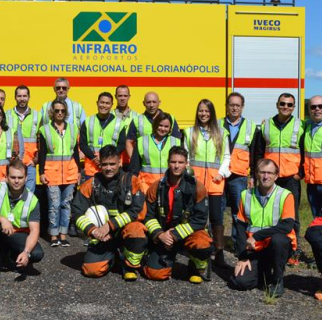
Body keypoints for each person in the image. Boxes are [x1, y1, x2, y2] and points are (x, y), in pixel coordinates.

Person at [73, 145, 147, 280]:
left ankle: (129, 266)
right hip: (102, 236)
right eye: (105, 164)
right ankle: (113, 257)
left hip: (124, 232)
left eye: (112, 164)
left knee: (137, 229)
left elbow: (137, 211)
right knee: (91, 270)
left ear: (119, 162)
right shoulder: (90, 184)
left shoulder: (132, 182)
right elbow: (77, 212)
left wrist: (109, 225)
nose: (108, 168)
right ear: (99, 163)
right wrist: (93, 231)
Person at [142, 146, 213, 283]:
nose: (176, 166)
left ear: (186, 164)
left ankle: (195, 267)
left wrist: (174, 235)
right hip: (164, 236)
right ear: (168, 162)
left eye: (180, 162)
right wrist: (160, 235)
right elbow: (148, 216)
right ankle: (158, 260)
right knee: (155, 274)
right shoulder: (156, 187)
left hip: (186, 233)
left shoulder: (197, 187)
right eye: (173, 162)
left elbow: (200, 219)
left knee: (202, 243)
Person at [230, 159, 296, 297]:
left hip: (277, 247)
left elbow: (287, 226)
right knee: (240, 282)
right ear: (256, 174)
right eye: (262, 172)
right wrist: (242, 257)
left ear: (276, 176)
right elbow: (241, 227)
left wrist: (257, 235)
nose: (266, 176)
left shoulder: (285, 195)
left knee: (279, 240)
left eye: (270, 173)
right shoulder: (246, 195)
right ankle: (263, 271)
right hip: (255, 249)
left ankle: (278, 281)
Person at [253, 93, 305, 265]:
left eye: (290, 105)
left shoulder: (300, 126)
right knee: (270, 213)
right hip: (270, 177)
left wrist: (301, 173)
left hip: (291, 178)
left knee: (293, 216)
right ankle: (269, 245)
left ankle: (293, 251)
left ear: (294, 107)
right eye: (282, 104)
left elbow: (306, 152)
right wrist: (257, 174)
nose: (286, 107)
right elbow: (259, 152)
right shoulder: (266, 125)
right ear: (277, 105)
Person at [0, 159, 44, 280]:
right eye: (13, 177)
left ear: (26, 178)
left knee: (36, 254)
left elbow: (34, 231)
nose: (16, 181)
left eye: (20, 177)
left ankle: (12, 256)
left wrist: (26, 252)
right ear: (6, 177)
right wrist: (2, 219)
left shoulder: (33, 200)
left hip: (18, 234)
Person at [183, 99, 231, 269]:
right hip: (195, 183)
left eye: (207, 111)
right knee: (195, 216)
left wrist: (221, 173)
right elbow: (186, 157)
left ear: (212, 114)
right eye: (201, 111)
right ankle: (196, 249)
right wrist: (189, 174)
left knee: (217, 218)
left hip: (215, 181)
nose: (203, 114)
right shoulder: (189, 132)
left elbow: (226, 156)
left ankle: (218, 253)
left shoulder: (221, 133)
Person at [38, 99, 80, 246]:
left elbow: (75, 152)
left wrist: (79, 172)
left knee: (66, 204)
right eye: (57, 111)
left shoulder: (74, 129)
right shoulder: (45, 129)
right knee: (54, 205)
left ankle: (63, 235)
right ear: (52, 112)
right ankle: (54, 235)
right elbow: (42, 153)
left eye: (62, 110)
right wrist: (41, 173)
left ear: (66, 112)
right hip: (51, 173)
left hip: (70, 172)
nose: (60, 113)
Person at [219, 92, 256, 243]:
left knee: (238, 211)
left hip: (239, 175)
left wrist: (252, 175)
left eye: (237, 105)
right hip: (219, 174)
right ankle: (217, 243)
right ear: (227, 106)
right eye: (231, 105)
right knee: (217, 210)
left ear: (242, 107)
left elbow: (254, 154)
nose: (234, 108)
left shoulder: (251, 127)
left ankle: (238, 242)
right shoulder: (217, 124)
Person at [129, 112, 181, 194]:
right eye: (160, 125)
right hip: (146, 188)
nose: (163, 129)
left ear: (170, 128)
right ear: (155, 125)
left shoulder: (176, 142)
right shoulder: (142, 141)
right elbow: (134, 168)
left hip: (169, 188)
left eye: (166, 126)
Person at [80, 92, 125, 178]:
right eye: (102, 102)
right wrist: (94, 158)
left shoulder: (119, 123)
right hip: (92, 168)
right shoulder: (88, 121)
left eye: (107, 103)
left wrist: (108, 158)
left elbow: (122, 144)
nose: (104, 105)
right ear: (97, 103)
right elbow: (82, 144)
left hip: (112, 168)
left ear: (112, 104)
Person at [124, 91, 180, 161]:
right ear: (143, 103)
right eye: (148, 102)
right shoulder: (137, 120)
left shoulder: (170, 118)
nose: (151, 105)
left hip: (166, 163)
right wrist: (135, 161)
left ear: (159, 103)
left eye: (154, 102)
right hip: (146, 165)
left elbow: (177, 141)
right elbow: (129, 142)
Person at [5, 85, 40, 193]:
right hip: (12, 163)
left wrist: (36, 160)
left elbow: (41, 140)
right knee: (10, 193)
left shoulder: (37, 115)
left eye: (25, 96)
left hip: (29, 164)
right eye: (19, 96)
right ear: (15, 97)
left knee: (29, 195)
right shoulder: (7, 115)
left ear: (29, 97)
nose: (22, 99)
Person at [113, 85, 140, 168]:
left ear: (129, 97)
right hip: (114, 161)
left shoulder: (137, 117)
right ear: (115, 97)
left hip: (131, 160)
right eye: (120, 95)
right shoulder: (109, 116)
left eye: (125, 96)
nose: (122, 98)